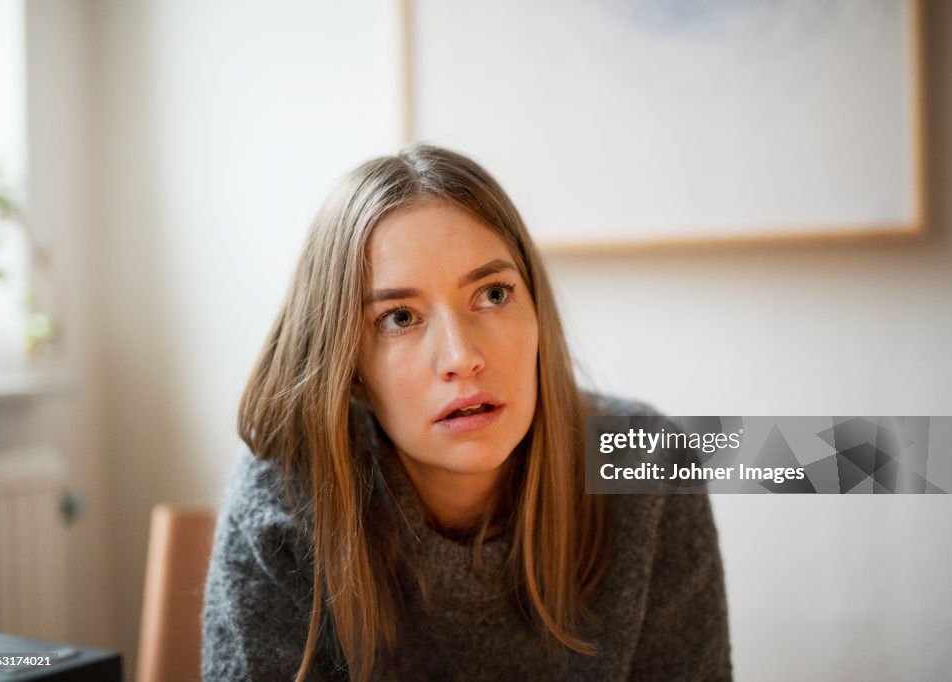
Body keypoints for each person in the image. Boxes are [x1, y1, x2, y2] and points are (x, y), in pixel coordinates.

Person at [201, 145, 732, 681]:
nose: (461, 357)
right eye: (400, 317)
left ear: (537, 310)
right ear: (349, 366)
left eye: (493, 293)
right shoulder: (287, 496)